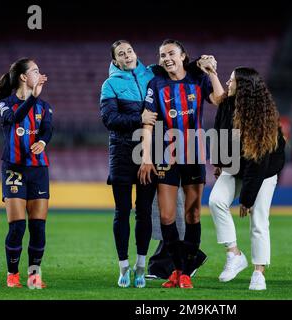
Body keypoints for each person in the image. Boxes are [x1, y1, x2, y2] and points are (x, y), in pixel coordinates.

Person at [100, 40, 211, 288]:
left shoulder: (151, 71)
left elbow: (179, 67)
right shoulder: (111, 84)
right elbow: (109, 118)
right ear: (115, 60)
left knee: (161, 212)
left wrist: (200, 62)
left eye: (130, 50)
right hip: (126, 152)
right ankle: (138, 266)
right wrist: (138, 118)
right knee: (143, 212)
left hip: (162, 150)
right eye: (121, 54)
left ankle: (171, 265)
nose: (127, 55)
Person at [139, 39, 224, 289]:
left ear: (183, 56)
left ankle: (185, 271)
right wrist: (145, 156)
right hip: (165, 155)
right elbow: (147, 122)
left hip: (194, 154)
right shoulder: (156, 84)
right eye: (162, 54)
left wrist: (213, 72)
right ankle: (177, 270)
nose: (166, 58)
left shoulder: (198, 79)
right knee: (167, 216)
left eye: (171, 53)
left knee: (193, 214)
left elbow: (220, 99)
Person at [0, 58, 52, 289]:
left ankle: (34, 276)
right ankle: (12, 276)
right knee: (17, 227)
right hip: (14, 168)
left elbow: (48, 129)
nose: (40, 74)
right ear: (23, 77)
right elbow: (15, 118)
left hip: (38, 169)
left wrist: (43, 142)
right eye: (35, 71)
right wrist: (33, 97)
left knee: (38, 227)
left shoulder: (45, 106)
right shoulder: (5, 104)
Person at [208, 67, 285, 290]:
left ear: (243, 88)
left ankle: (259, 272)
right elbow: (219, 133)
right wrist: (220, 162)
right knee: (216, 201)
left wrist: (246, 199)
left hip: (264, 171)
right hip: (235, 165)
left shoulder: (262, 117)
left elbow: (258, 164)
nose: (227, 82)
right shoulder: (225, 103)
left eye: (231, 80)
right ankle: (234, 254)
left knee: (259, 221)